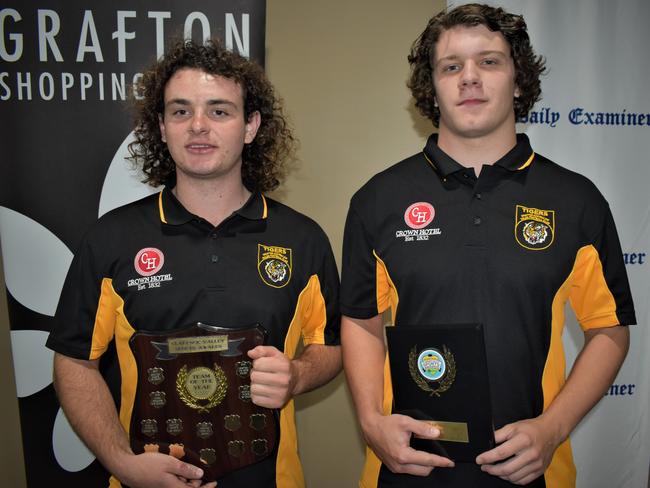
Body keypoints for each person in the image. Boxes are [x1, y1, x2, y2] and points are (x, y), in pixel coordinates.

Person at [340, 4, 635, 488]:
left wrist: (552, 429)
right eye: (451, 66)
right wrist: (372, 423)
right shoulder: (378, 200)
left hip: (532, 467)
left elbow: (609, 330)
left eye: (490, 62)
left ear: (519, 80)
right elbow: (361, 321)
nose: (469, 78)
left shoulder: (576, 199)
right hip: (407, 465)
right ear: (431, 87)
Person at [46, 38, 341, 488]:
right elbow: (74, 361)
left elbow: (333, 346)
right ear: (162, 127)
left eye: (219, 111)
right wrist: (121, 463)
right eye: (181, 111)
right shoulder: (111, 238)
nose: (198, 126)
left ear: (250, 126)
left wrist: (298, 374)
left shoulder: (302, 239)